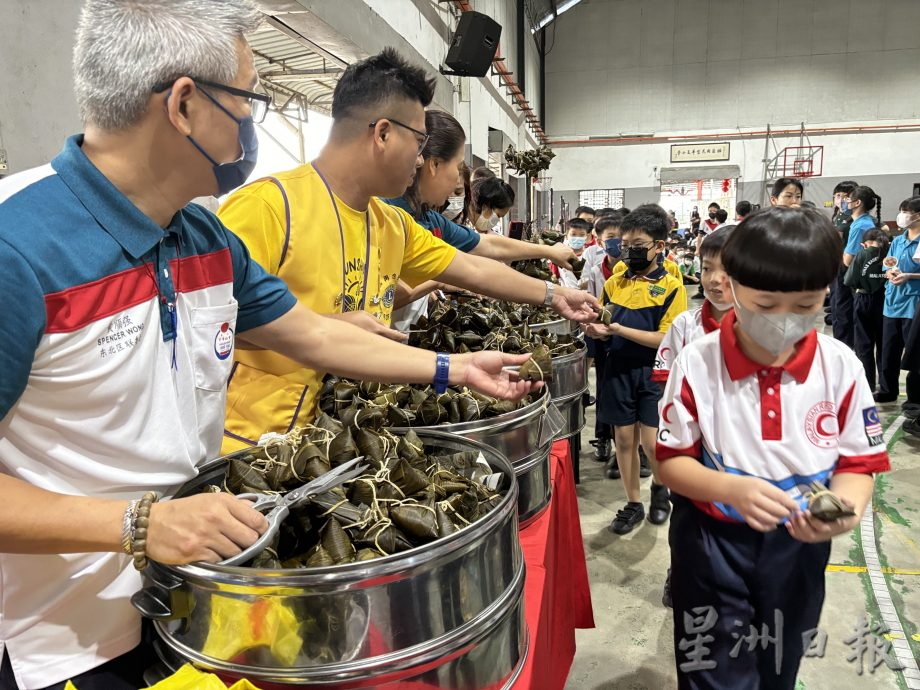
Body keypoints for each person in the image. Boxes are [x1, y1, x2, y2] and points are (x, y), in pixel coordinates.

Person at [0, 4, 541, 688]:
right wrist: (138, 526)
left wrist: (453, 366)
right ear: (186, 105)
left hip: (203, 609)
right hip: (72, 645)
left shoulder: (203, 240)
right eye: (250, 99)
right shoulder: (16, 249)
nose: (254, 122)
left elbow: (312, 334)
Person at [217, 48, 598, 453]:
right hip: (261, 447)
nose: (420, 160)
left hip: (351, 440)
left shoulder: (391, 223)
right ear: (382, 133)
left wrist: (556, 296)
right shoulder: (267, 207)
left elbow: (474, 269)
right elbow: (211, 333)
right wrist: (331, 324)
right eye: (418, 141)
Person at [656, 206, 890, 690]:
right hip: (712, 543)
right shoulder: (698, 364)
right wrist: (730, 489)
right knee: (712, 673)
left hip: (798, 548)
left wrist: (845, 510)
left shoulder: (841, 366)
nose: (784, 321)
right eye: (765, 305)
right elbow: (672, 463)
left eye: (805, 307)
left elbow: (857, 464)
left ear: (827, 292)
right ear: (733, 286)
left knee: (778, 666)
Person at [384, 109, 575, 326]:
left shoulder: (427, 218)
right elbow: (388, 294)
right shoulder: (388, 215)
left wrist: (549, 253)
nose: (458, 179)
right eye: (457, 168)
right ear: (434, 164)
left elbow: (485, 246)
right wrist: (438, 282)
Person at [585, 205, 687, 535]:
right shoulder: (615, 282)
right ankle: (633, 503)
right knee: (624, 441)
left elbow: (665, 338)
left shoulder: (672, 286)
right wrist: (595, 331)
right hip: (617, 370)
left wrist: (617, 330)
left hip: (655, 373)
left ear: (659, 246)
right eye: (625, 243)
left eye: (638, 243)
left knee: (652, 444)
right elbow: (601, 321)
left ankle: (660, 487)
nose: (629, 249)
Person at [652, 224, 736, 608]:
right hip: (690, 454)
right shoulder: (685, 326)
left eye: (729, 271)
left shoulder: (765, 333)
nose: (715, 281)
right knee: (686, 524)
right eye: (706, 270)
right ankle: (680, 574)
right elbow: (666, 387)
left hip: (739, 456)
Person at [585, 214, 624, 467]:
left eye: (621, 237)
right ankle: (602, 437)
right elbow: (589, 300)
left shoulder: (633, 268)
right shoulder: (595, 266)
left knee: (623, 389)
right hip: (601, 335)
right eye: (611, 238)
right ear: (599, 240)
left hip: (627, 336)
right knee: (602, 385)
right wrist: (592, 326)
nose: (617, 243)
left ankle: (626, 444)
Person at [875, 196, 920, 406]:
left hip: (913, 304)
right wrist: (890, 272)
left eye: (906, 211)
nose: (901, 216)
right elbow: (888, 264)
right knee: (888, 349)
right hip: (892, 302)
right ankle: (887, 389)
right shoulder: (899, 240)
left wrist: (910, 277)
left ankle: (914, 398)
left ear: (917, 216)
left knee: (913, 353)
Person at [844, 228, 888, 391]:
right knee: (884, 344)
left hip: (863, 299)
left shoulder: (863, 254)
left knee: (863, 344)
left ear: (865, 243)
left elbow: (849, 279)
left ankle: (867, 385)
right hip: (885, 300)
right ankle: (886, 386)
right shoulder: (889, 252)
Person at [830, 180, 860, 343]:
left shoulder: (857, 220)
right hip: (836, 268)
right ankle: (839, 342)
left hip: (849, 269)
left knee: (844, 311)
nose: (841, 200)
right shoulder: (837, 216)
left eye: (845, 196)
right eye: (838, 196)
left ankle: (846, 347)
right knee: (837, 309)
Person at [551, 218, 591, 288]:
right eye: (573, 234)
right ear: (566, 236)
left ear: (586, 236)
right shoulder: (559, 255)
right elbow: (554, 278)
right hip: (566, 295)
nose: (577, 238)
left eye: (581, 235)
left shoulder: (591, 255)